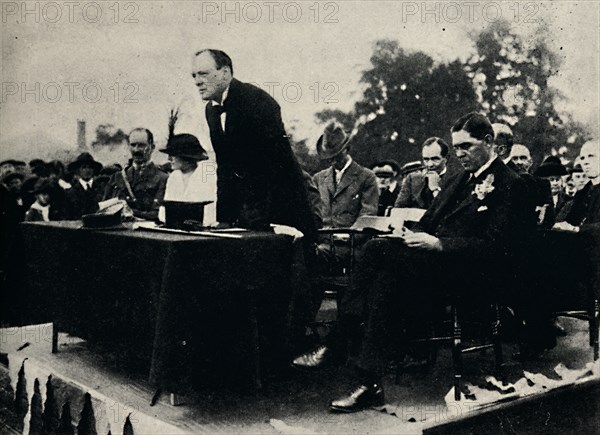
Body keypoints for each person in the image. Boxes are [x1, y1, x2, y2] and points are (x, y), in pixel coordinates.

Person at [293, 112, 531, 413]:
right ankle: (367, 380)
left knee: (382, 263)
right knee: (379, 259)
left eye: (466, 146)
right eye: (456, 147)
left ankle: (340, 347)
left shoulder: (512, 184)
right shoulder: (459, 180)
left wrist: (440, 243)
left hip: (475, 275)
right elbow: (429, 221)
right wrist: (406, 233)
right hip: (435, 268)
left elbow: (500, 249)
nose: (459, 154)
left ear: (488, 142)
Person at [193, 49, 316, 241]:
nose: (197, 81)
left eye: (203, 74)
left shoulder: (257, 101)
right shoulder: (211, 110)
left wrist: (257, 220)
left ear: (225, 73)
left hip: (282, 211)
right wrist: (224, 220)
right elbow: (225, 169)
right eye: (194, 75)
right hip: (249, 215)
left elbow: (275, 165)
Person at [103, 128, 168, 220]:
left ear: (152, 147)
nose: (136, 150)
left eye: (141, 145)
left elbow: (159, 214)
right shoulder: (117, 177)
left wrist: (131, 212)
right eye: (133, 145)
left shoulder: (163, 178)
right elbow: (104, 210)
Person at [157, 133, 217, 224]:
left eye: (173, 155)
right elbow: (164, 212)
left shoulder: (207, 175)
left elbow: (211, 212)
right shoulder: (174, 177)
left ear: (186, 156)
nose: (169, 159)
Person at [395, 137, 450, 209]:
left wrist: (435, 189)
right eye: (426, 159)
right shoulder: (412, 179)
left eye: (435, 159)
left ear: (446, 158)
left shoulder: (457, 179)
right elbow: (398, 209)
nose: (430, 164)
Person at [65, 153, 103, 219]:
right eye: (84, 167)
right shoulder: (70, 192)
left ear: (94, 170)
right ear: (78, 170)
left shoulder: (101, 190)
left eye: (90, 167)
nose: (87, 170)